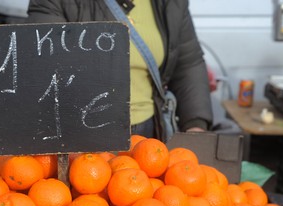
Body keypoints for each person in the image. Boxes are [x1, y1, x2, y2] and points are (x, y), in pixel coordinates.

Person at [26, 0, 214, 139]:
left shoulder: (172, 3)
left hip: (150, 133)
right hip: (83, 135)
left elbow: (188, 63)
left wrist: (195, 125)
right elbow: (45, 68)